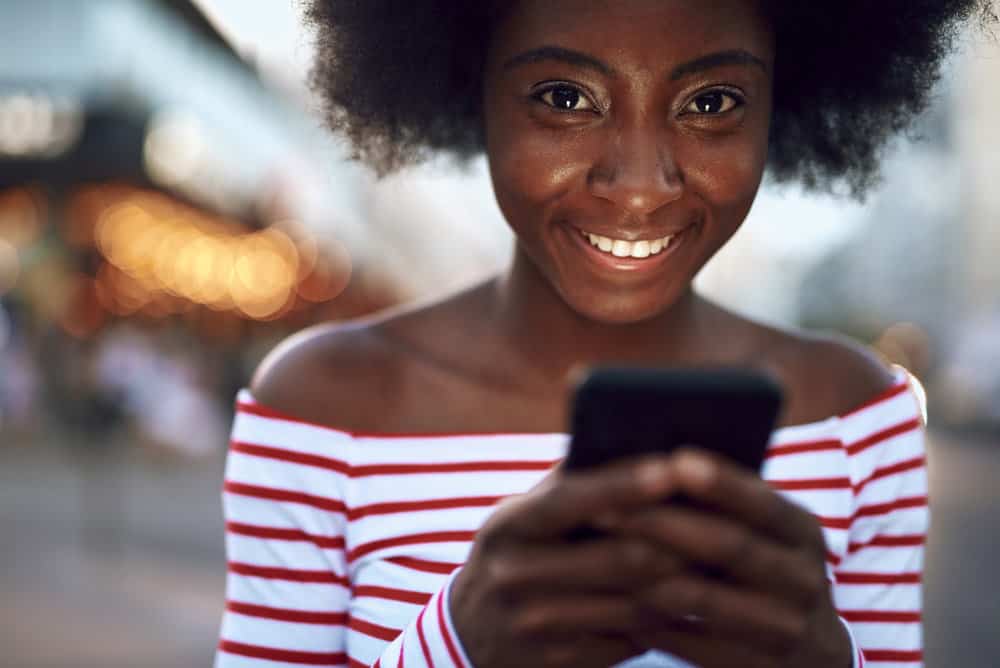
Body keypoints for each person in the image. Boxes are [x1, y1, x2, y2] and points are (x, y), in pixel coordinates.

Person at [215, 2, 993, 666]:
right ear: (468, 88)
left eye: (713, 103)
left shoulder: (856, 415)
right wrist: (458, 642)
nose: (640, 184)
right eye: (564, 96)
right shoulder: (321, 408)